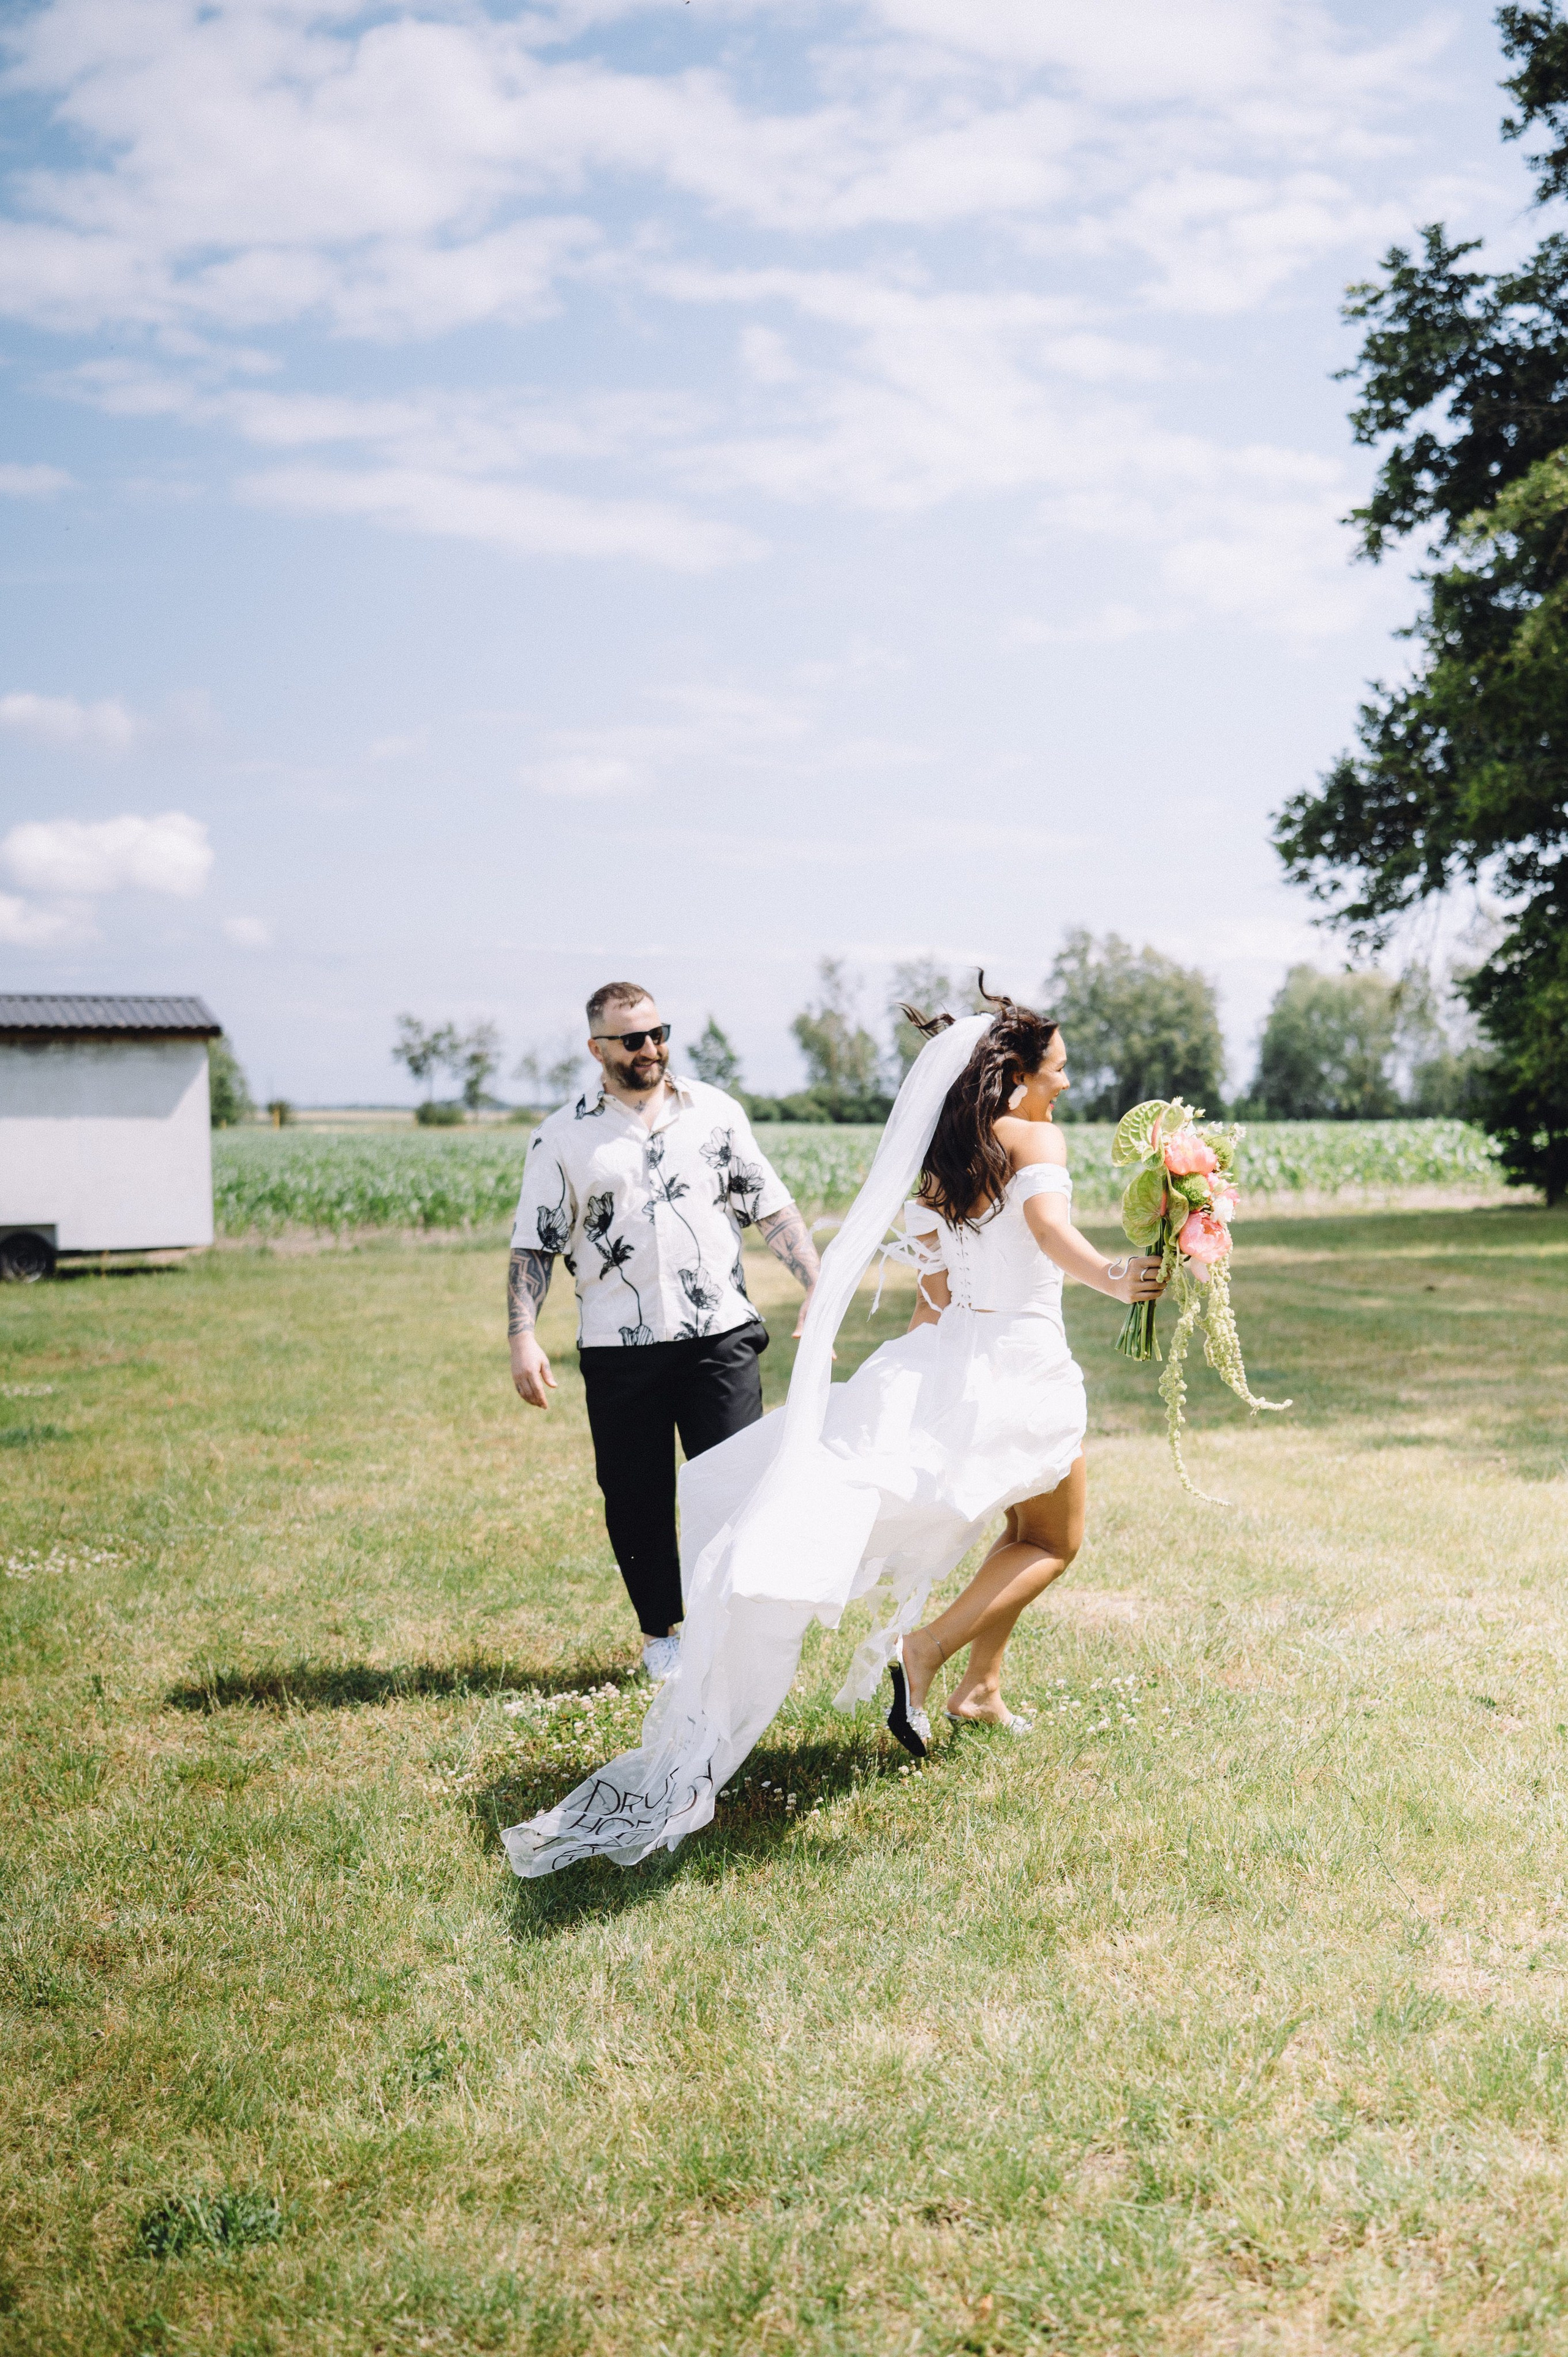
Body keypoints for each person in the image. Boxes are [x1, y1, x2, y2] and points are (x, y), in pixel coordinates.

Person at [503, 982, 1164, 1877]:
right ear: (1016, 1073)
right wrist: (1116, 1276)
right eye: (1059, 1065)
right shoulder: (1036, 1138)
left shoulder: (949, 1161)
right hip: (1024, 1362)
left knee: (1017, 1525)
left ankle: (983, 1689)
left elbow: (935, 1295)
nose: (1071, 1080)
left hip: (958, 1353)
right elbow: (1051, 1231)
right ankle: (925, 1650)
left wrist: (920, 1380)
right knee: (1054, 1538)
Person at [508, 980, 822, 1682]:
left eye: (658, 1032)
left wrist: (816, 1285)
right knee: (636, 1493)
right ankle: (663, 1635)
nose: (651, 1048)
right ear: (597, 1048)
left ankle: (734, 1626)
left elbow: (768, 1204)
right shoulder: (561, 1135)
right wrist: (522, 1336)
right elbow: (535, 1243)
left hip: (720, 1334)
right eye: (632, 1038)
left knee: (737, 1484)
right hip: (620, 1347)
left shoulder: (715, 1111)